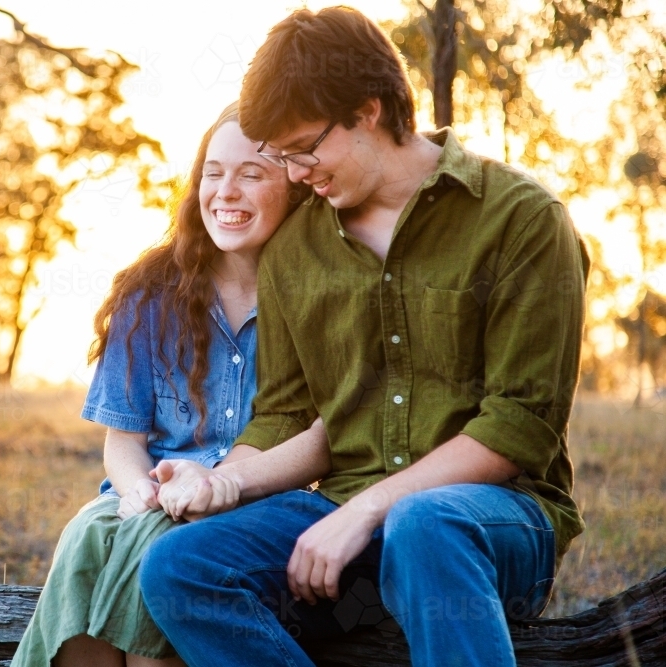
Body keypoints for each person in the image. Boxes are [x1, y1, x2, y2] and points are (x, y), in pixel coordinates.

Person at [139, 7, 589, 667]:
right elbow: (286, 414)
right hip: (344, 533)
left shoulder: (522, 221)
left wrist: (369, 510)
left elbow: (520, 427)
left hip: (490, 527)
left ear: (368, 111)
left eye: (303, 149)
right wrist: (221, 481)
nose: (295, 174)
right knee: (179, 568)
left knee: (424, 522)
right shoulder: (295, 250)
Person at [10, 102, 322, 667]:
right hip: (153, 492)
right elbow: (124, 440)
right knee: (89, 533)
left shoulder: (319, 297)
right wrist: (138, 491)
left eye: (251, 173)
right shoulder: (150, 294)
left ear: (295, 189)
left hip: (256, 500)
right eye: (213, 171)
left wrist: (218, 485)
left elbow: (332, 435)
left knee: (162, 546)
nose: (225, 191)